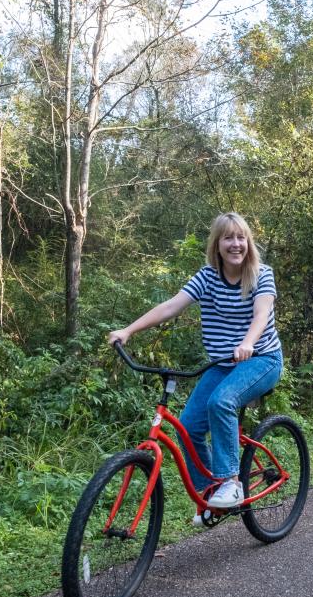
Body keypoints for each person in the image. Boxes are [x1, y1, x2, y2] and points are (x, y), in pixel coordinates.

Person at [108, 213, 283, 516]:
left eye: (241, 237)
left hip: (261, 359)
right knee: (188, 427)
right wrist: (128, 330)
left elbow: (261, 314)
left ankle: (230, 482)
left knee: (221, 401)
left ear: (248, 242)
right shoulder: (207, 277)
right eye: (228, 237)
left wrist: (248, 342)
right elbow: (172, 306)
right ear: (217, 244)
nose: (235, 244)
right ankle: (210, 492)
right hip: (222, 364)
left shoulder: (261, 274)